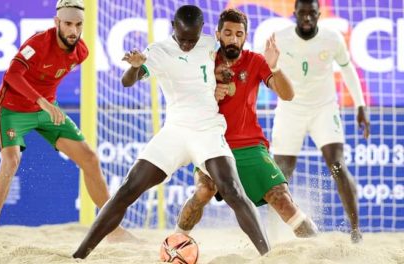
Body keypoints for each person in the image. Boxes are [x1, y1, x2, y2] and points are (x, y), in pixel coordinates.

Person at [72, 5, 270, 259]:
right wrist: (134, 67)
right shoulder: (158, 51)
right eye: (183, 38)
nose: (187, 44)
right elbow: (126, 81)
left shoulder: (210, 44)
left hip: (208, 130)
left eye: (192, 39)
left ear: (202, 32)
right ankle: (79, 254)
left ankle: (268, 255)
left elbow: (232, 56)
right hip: (174, 132)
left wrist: (223, 77)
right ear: (173, 28)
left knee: (233, 190)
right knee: (128, 188)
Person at [0, 0, 135, 248]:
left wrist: (46, 104)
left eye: (78, 24)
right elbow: (12, 75)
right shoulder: (38, 43)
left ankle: (112, 230)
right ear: (57, 22)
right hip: (13, 110)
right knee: (11, 162)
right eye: (68, 23)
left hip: (48, 111)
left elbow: (48, 77)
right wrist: (42, 102)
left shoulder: (81, 52)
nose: (74, 30)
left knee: (90, 158)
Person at [174, 9, 318, 240]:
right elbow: (183, 100)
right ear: (218, 34)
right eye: (228, 33)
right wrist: (210, 93)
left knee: (281, 197)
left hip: (250, 145)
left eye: (239, 34)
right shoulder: (204, 61)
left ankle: (317, 248)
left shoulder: (256, 61)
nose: (233, 39)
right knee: (203, 191)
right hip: (212, 144)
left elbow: (288, 95)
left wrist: (274, 67)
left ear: (245, 36)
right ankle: (176, 240)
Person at [271, 0, 370, 243]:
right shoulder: (279, 39)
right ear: (294, 14)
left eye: (311, 13)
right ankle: (277, 230)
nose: (307, 18)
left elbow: (348, 69)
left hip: (323, 109)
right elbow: (264, 71)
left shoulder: (332, 38)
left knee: (337, 166)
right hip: (290, 109)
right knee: (280, 173)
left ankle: (355, 231)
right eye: (302, 13)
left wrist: (361, 105)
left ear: (319, 14)